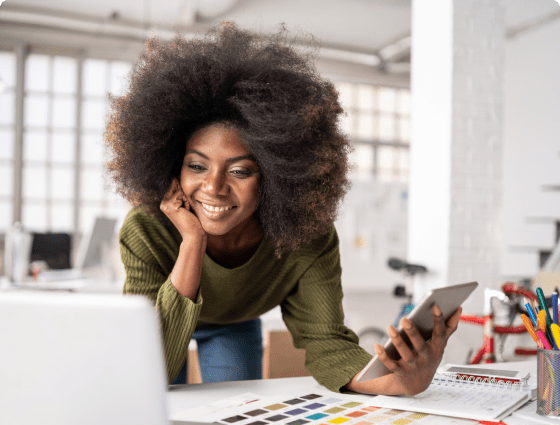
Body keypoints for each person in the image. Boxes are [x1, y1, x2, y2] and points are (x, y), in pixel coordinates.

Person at [106, 23, 462, 394]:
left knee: (236, 419)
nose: (213, 187)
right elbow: (148, 364)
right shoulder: (146, 228)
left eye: (240, 170)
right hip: (162, 321)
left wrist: (398, 382)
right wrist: (192, 242)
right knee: (154, 402)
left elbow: (327, 342)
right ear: (172, 164)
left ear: (275, 176)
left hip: (236, 322)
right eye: (197, 166)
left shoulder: (305, 233)